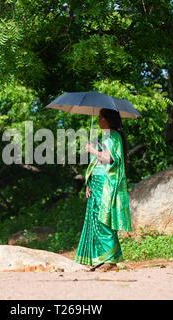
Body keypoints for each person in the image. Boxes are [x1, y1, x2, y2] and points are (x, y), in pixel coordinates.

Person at [74, 108, 132, 271]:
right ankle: (100, 258)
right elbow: (96, 162)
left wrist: (92, 150)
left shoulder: (113, 136)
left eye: (100, 118)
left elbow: (109, 158)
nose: (98, 120)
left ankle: (110, 261)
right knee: (95, 220)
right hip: (97, 183)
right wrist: (88, 183)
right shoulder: (103, 137)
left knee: (104, 219)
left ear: (108, 120)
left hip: (106, 184)